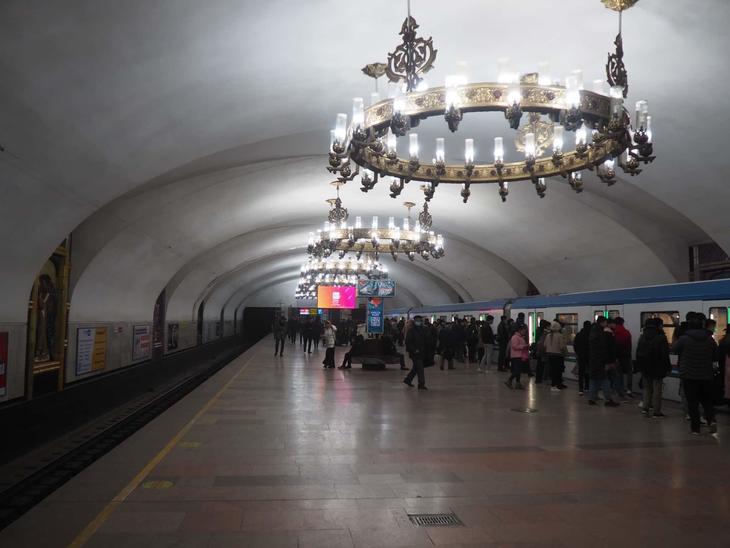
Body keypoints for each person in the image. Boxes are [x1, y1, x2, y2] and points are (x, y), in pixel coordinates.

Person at [673, 312, 718, 434]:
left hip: (689, 376)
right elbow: (715, 355)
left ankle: (695, 429)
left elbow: (674, 349)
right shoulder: (710, 340)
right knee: (707, 401)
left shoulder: (684, 339)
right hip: (706, 375)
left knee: (693, 403)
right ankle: (711, 420)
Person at [636, 318, 671, 418]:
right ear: (659, 325)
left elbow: (638, 352)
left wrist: (639, 366)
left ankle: (645, 408)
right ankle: (656, 412)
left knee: (647, 388)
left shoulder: (642, 336)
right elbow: (664, 355)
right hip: (657, 367)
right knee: (657, 389)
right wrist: (667, 367)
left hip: (645, 367)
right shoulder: (661, 337)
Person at [588, 316, 620, 407]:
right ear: (602, 322)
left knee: (593, 380)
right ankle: (608, 399)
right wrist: (607, 362)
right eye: (605, 322)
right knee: (605, 380)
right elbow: (603, 350)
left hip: (593, 360)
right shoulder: (602, 334)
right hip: (601, 361)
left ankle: (591, 398)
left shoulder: (592, 332)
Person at [403, 315, 428, 390]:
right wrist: (414, 350)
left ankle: (408, 380)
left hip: (421, 352)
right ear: (414, 321)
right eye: (417, 320)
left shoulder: (422, 330)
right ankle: (421, 384)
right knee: (420, 368)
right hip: (415, 353)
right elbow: (408, 342)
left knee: (416, 368)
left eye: (420, 320)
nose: (419, 322)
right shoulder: (411, 331)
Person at [605, 318, 627, 401]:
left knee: (607, 378)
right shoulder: (610, 334)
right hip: (611, 360)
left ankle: (610, 393)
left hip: (607, 360)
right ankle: (618, 393)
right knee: (616, 377)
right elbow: (612, 348)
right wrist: (614, 359)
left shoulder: (604, 332)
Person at [544, 321, 568, 391]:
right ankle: (556, 385)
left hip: (549, 355)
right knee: (558, 371)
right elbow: (561, 347)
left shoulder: (548, 335)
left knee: (552, 370)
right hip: (558, 355)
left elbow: (545, 345)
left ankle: (554, 384)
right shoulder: (560, 336)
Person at [613, 317, 634, 396]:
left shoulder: (615, 333)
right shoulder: (627, 332)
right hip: (627, 356)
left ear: (615, 324)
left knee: (618, 374)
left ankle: (619, 390)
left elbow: (615, 346)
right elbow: (629, 345)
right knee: (629, 373)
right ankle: (629, 389)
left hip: (618, 357)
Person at [505, 325, 529, 390]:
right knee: (517, 370)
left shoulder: (521, 337)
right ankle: (509, 380)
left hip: (520, 355)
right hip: (516, 356)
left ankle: (518, 384)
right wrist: (524, 346)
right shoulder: (515, 337)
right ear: (519, 330)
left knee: (519, 371)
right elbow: (515, 346)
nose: (524, 332)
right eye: (523, 331)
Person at [573, 321, 592, 395]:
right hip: (589, 357)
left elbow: (575, 345)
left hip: (581, 357)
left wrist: (578, 353)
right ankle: (587, 386)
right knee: (588, 372)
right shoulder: (591, 334)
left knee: (581, 372)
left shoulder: (579, 334)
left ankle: (580, 389)